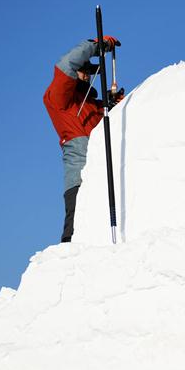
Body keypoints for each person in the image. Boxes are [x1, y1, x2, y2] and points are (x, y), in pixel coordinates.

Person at [43, 36, 120, 243]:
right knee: (75, 231)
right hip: (79, 178)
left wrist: (115, 107)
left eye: (88, 72)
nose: (86, 76)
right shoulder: (59, 98)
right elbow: (67, 64)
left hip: (104, 176)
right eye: (83, 70)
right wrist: (96, 46)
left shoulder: (94, 106)